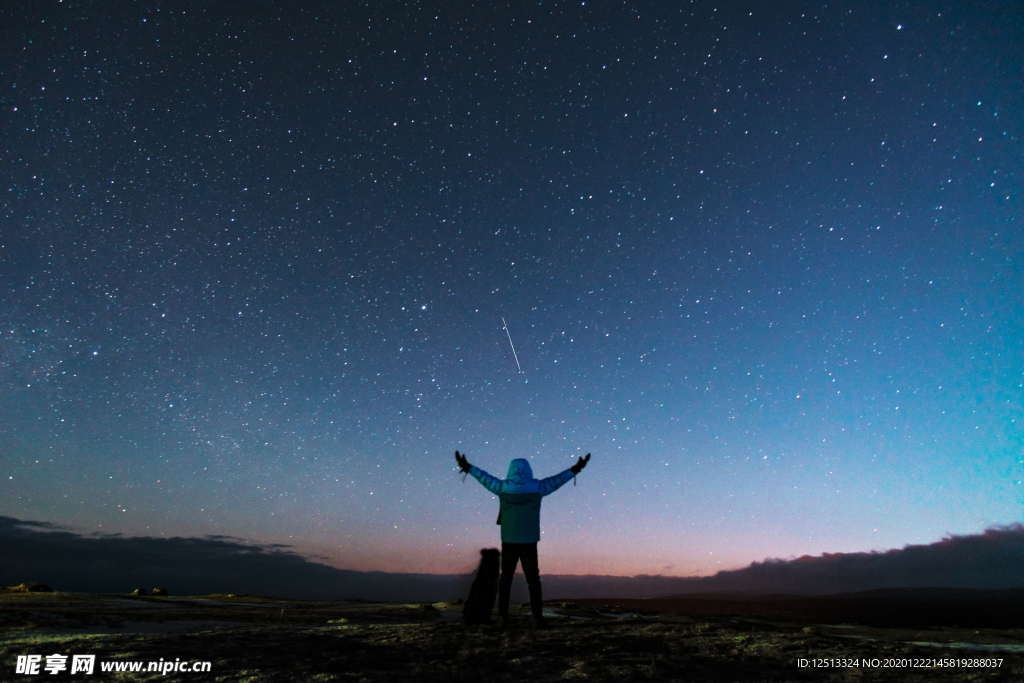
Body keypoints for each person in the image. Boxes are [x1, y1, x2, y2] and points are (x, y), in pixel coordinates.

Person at [455, 450, 590, 629]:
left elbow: (484, 478)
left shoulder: (503, 487)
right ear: (529, 470)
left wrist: (468, 467)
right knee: (533, 580)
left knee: (506, 580)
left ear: (510, 470)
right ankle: (537, 618)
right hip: (529, 541)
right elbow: (557, 480)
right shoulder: (538, 487)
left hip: (509, 541)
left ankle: (502, 618)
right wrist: (576, 469)